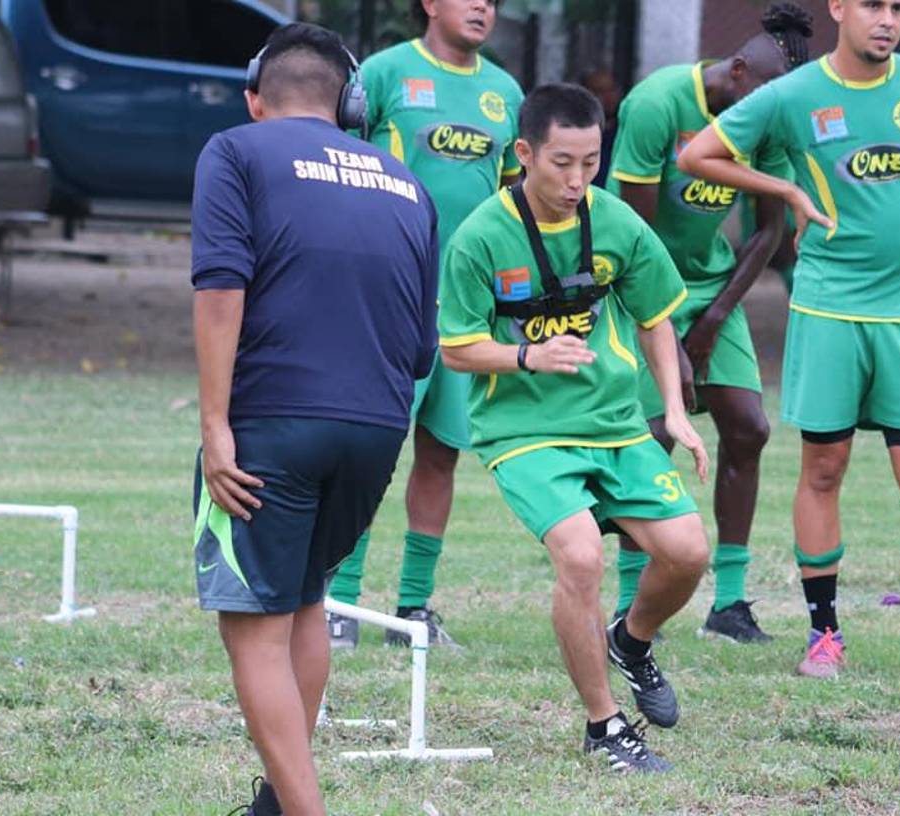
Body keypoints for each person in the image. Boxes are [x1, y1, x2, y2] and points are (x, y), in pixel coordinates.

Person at [191, 23, 438, 815]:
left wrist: (215, 424)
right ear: (350, 103)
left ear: (255, 98)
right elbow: (422, 352)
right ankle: (277, 802)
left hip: (272, 423)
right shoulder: (408, 184)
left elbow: (220, 287)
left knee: (253, 629)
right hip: (376, 429)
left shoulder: (234, 152)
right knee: (304, 604)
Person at [678, 0, 900, 677]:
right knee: (824, 469)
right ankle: (823, 635)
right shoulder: (795, 94)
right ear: (838, 8)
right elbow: (698, 154)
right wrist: (784, 189)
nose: (887, 19)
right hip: (829, 308)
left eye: (898, 7)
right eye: (873, 6)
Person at [437, 84, 711, 772]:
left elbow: (655, 318)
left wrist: (674, 410)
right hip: (524, 432)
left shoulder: (616, 221)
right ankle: (604, 725)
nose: (576, 180)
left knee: (687, 553)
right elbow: (456, 348)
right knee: (582, 557)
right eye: (562, 162)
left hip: (614, 423)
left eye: (590, 162)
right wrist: (526, 356)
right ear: (525, 153)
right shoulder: (480, 237)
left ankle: (632, 639)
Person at [605, 2, 813, 644]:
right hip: (641, 283)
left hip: (713, 285)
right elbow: (634, 240)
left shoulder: (766, 117)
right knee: (652, 438)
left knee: (749, 428)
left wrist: (713, 319)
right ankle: (629, 601)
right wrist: (671, 335)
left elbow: (770, 233)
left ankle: (729, 605)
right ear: (738, 70)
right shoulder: (657, 105)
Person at [325, 0, 523, 649]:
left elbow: (512, 202)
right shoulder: (383, 74)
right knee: (369, 449)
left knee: (441, 453)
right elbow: (339, 169)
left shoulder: (505, 92)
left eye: (492, 0)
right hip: (391, 297)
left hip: (467, 309)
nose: (482, 7)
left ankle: (413, 608)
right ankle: (339, 603)